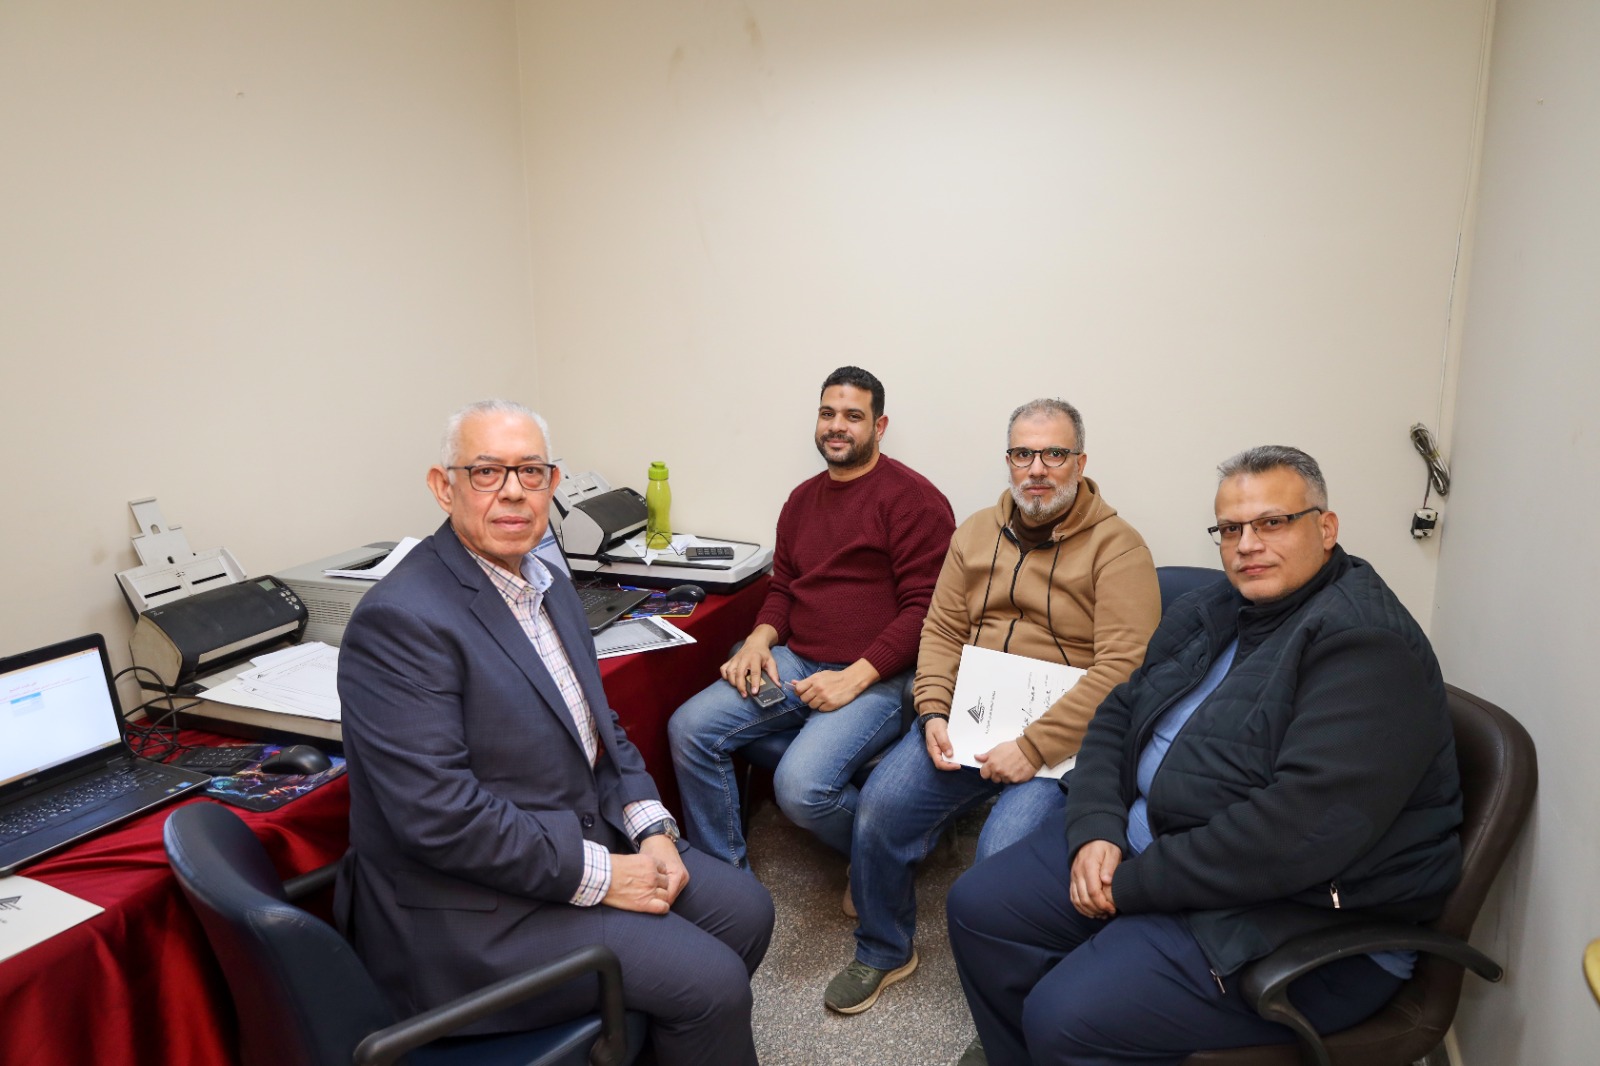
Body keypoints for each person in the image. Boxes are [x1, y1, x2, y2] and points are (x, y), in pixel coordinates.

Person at [945, 445, 1463, 1066]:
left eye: (1272, 522)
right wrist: (1096, 828)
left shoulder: (1367, 646)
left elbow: (1293, 837)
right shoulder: (1215, 606)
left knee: (1066, 1016)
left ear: (1326, 528)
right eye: (1231, 529)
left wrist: (1127, 884)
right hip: (1152, 851)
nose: (1248, 545)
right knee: (979, 910)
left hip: (1291, 914)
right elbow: (1117, 712)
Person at [335, 400, 775, 1066]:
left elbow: (602, 731)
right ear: (443, 486)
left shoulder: (551, 585)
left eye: (531, 472)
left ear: (553, 484)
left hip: (560, 842)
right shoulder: (401, 621)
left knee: (746, 910)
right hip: (468, 913)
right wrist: (605, 876)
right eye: (487, 472)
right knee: (708, 983)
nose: (513, 490)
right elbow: (440, 818)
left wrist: (653, 830)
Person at [823, 397, 1162, 1015]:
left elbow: (1124, 669)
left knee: (1000, 855)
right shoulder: (976, 531)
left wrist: (1034, 746)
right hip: (972, 715)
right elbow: (941, 629)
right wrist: (932, 711)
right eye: (1023, 454)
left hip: (1062, 739)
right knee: (880, 808)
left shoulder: (1119, 548)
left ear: (1080, 462)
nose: (1037, 469)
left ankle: (1011, 999)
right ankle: (884, 947)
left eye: (1053, 454)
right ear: (1008, 461)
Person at [669, 366, 956, 871]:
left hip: (878, 677)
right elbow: (784, 587)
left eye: (853, 416)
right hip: (797, 662)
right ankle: (726, 877)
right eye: (828, 413)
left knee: (800, 790)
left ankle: (886, 862)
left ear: (880, 426)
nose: (836, 426)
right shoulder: (801, 500)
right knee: (689, 729)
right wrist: (759, 639)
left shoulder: (914, 500)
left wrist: (853, 678)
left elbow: (926, 611)